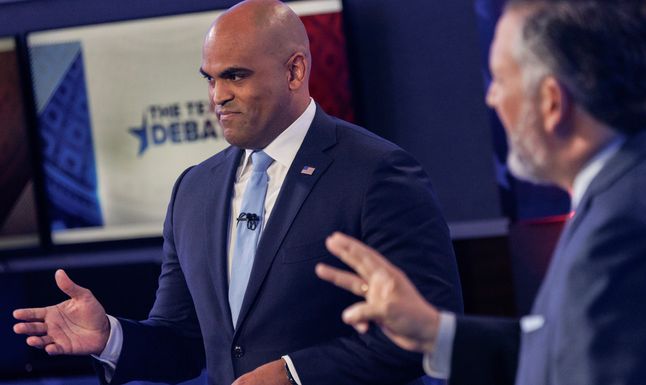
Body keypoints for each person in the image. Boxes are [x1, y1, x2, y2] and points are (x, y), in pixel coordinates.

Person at [12, 1, 463, 384]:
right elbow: (183, 342)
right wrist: (111, 338)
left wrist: (294, 373)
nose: (217, 96)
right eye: (209, 78)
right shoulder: (193, 190)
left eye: (235, 76)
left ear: (295, 70)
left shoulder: (377, 173)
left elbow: (432, 330)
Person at [316, 1, 646, 384]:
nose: (491, 98)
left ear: (551, 102)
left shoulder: (622, 231)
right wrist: (435, 333)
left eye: (500, 79)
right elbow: (575, 350)